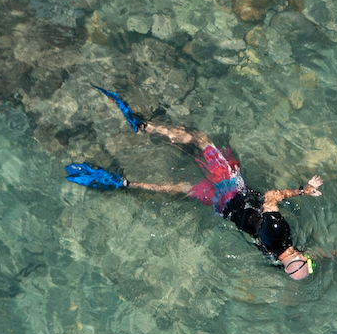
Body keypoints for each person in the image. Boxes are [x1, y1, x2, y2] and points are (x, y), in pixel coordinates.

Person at [67, 87, 320, 279]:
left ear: (300, 256)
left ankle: (143, 127)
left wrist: (302, 190)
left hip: (231, 188)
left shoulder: (278, 232)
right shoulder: (272, 257)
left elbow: (271, 196)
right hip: (223, 208)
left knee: (201, 140)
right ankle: (125, 183)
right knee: (183, 188)